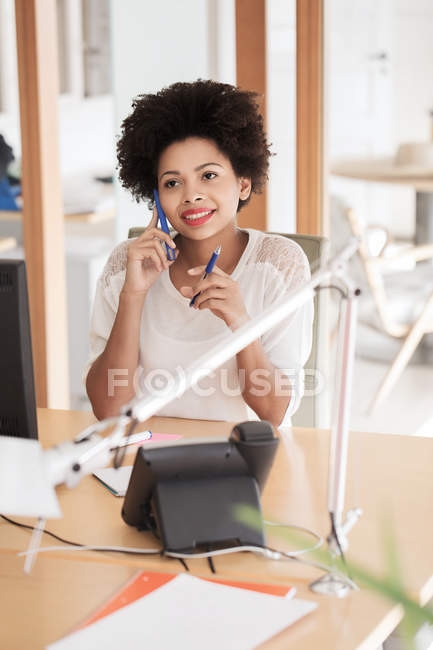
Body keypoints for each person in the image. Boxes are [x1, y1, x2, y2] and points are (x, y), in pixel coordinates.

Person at [85, 80, 313, 427]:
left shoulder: (278, 264)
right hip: (148, 458)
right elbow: (108, 410)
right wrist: (134, 296)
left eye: (208, 175)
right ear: (156, 196)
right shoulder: (125, 265)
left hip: (244, 462)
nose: (191, 195)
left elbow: (273, 411)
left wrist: (240, 322)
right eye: (172, 183)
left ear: (243, 183)